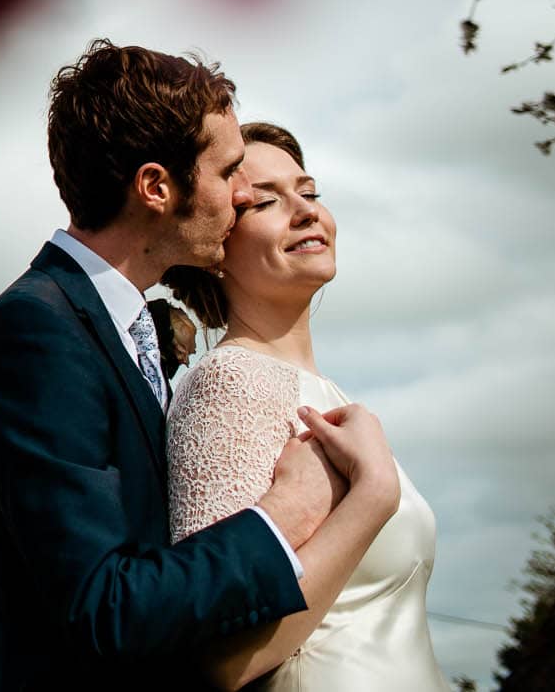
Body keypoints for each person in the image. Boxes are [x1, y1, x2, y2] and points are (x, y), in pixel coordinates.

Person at [0, 40, 387, 691]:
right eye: (228, 171)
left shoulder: (114, 325)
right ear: (156, 186)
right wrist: (284, 511)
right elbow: (106, 604)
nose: (242, 196)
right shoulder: (35, 329)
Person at [163, 122, 448, 690]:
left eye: (310, 191)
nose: (304, 211)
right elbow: (218, 654)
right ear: (214, 244)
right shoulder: (230, 382)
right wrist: (371, 498)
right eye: (265, 201)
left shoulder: (330, 396)